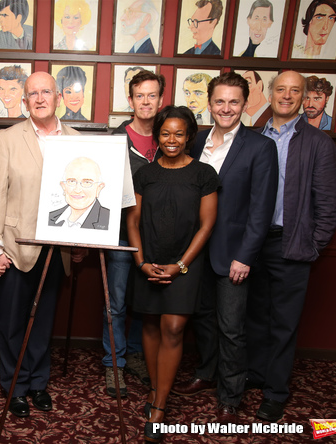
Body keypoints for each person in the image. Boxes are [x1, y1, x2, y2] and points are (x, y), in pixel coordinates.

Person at [172, 73, 278, 423]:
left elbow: (261, 209)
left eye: (234, 102)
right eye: (220, 101)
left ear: (244, 104)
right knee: (202, 319)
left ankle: (231, 393)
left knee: (231, 326)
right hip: (195, 251)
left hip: (233, 255)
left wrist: (245, 256)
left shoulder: (261, 147)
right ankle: (207, 373)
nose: (226, 108)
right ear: (210, 104)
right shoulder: (197, 141)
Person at [0, 72, 80, 418]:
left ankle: (38, 383)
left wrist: (83, 239)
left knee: (44, 322)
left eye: (46, 92)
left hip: (58, 249)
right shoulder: (6, 139)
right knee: (11, 323)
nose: (39, 98)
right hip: (14, 246)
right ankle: (15, 386)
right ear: (24, 101)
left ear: (58, 98)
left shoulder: (76, 139)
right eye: (32, 93)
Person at [247, 71, 336, 422]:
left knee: (283, 323)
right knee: (254, 316)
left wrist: (312, 246)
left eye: (295, 91)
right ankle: (255, 375)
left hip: (292, 243)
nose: (287, 96)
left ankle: (275, 392)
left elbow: (329, 205)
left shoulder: (318, 142)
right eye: (281, 89)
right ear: (270, 94)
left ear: (305, 97)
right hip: (256, 243)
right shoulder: (254, 137)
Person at [127, 105, 219, 442]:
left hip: (186, 265)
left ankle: (161, 404)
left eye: (179, 133)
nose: (171, 139)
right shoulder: (145, 174)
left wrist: (181, 265)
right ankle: (155, 388)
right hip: (148, 261)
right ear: (157, 136)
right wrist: (141, 262)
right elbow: (132, 222)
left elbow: (207, 225)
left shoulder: (204, 174)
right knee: (150, 324)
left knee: (174, 327)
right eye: (165, 133)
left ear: (190, 136)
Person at [107, 70, 165, 398]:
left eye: (152, 95)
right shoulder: (116, 140)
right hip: (118, 234)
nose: (146, 101)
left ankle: (135, 356)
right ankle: (113, 363)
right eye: (140, 96)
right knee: (115, 302)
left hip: (156, 237)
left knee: (146, 302)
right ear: (130, 101)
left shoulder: (170, 136)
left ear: (160, 100)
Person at [48, 157, 109, 229]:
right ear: (63, 186)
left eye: (87, 182)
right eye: (72, 181)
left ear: (99, 188)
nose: (77, 190)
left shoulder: (109, 220)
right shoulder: (50, 217)